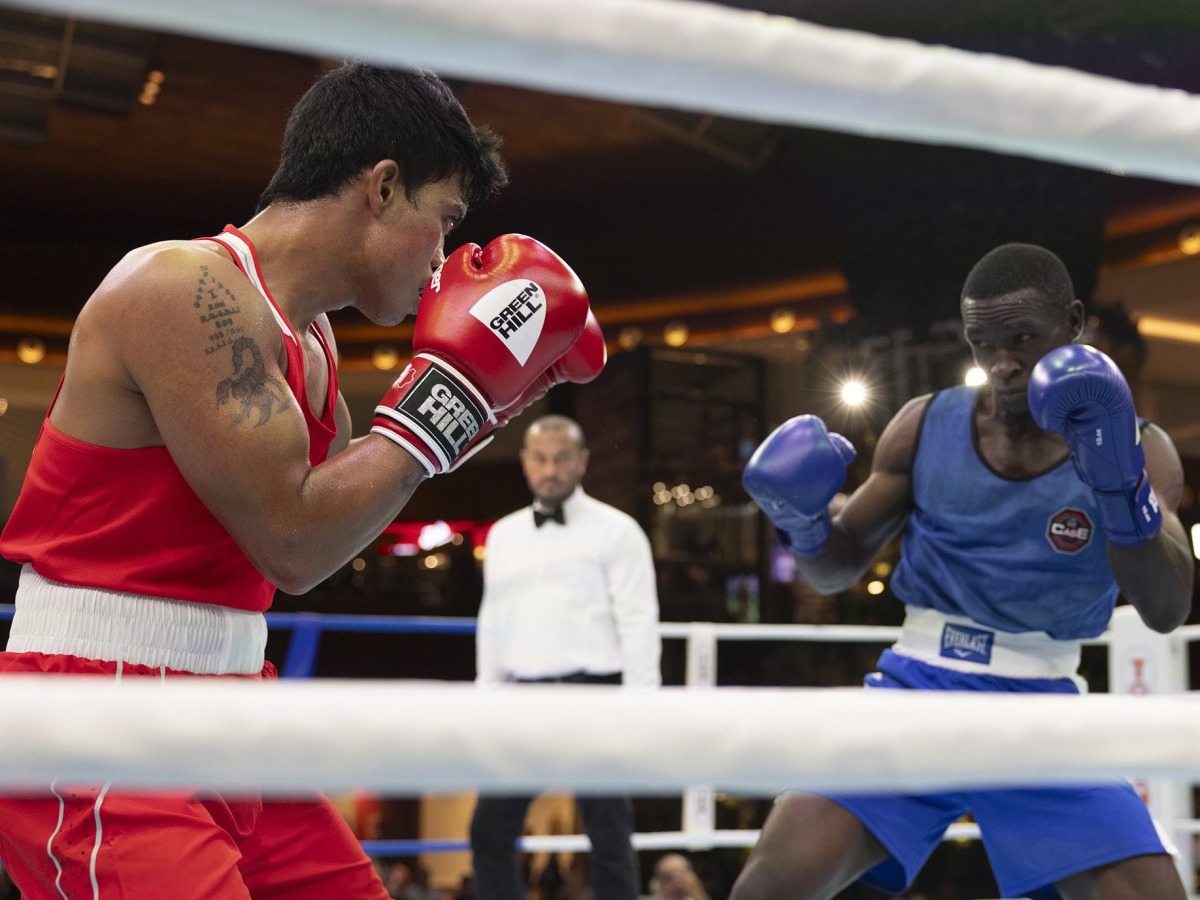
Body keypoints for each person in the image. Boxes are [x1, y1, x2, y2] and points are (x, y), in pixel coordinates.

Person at [0, 61, 606, 899]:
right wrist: (450, 394)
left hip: (234, 702)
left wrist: (480, 408)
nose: (442, 258)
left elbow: (324, 536)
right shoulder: (179, 288)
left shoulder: (313, 343)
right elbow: (291, 539)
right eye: (446, 219)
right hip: (100, 709)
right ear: (384, 187)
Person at [733, 243, 1194, 900]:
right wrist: (802, 521)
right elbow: (836, 569)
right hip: (916, 688)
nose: (1002, 364)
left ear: (1072, 322)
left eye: (1021, 338)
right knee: (767, 890)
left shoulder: (1141, 446)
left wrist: (1120, 489)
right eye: (982, 343)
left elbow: (1167, 609)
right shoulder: (924, 425)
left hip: (1043, 709)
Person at [470, 414, 662, 900]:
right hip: (523, 697)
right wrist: (487, 699)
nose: (549, 469)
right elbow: (494, 619)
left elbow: (639, 621)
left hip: (593, 695)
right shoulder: (504, 535)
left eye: (561, 458)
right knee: (489, 830)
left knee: (609, 834)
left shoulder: (618, 532)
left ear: (582, 462)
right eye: (539, 458)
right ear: (524, 462)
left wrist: (643, 708)